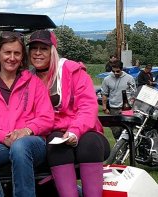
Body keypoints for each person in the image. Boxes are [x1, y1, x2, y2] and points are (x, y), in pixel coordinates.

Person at [0, 31, 54, 197]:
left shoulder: (33, 83)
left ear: (22, 57)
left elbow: (46, 117)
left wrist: (26, 131)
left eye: (17, 53)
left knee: (20, 146)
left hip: (30, 142)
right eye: (7, 52)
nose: (12, 58)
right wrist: (3, 136)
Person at [27, 30, 110, 197]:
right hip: (52, 135)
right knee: (56, 144)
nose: (37, 53)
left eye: (43, 48)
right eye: (33, 48)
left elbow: (88, 107)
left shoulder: (74, 72)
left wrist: (74, 131)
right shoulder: (27, 79)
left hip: (85, 131)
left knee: (89, 142)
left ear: (53, 50)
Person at [101, 59, 136, 140]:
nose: (115, 73)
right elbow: (104, 94)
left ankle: (127, 148)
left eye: (118, 71)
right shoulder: (107, 79)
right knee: (116, 131)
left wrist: (131, 106)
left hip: (127, 108)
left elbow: (134, 94)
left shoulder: (129, 78)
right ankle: (118, 148)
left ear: (122, 69)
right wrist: (104, 107)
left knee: (127, 131)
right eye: (113, 71)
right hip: (114, 108)